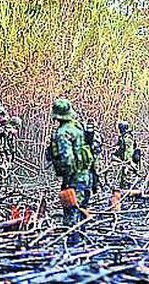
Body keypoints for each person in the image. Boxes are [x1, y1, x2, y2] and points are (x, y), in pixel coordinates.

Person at [46, 98, 94, 237]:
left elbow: (67, 158)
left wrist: (67, 179)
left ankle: (72, 243)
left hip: (74, 176)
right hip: (86, 173)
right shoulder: (78, 127)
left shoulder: (62, 133)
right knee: (82, 206)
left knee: (71, 208)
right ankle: (81, 238)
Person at [0, 115, 22, 192]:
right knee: (0, 176)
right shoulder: (8, 132)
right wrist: (6, 157)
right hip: (2, 156)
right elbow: (6, 146)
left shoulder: (5, 130)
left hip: (1, 156)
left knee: (1, 175)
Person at [114, 121, 141, 190]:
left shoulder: (127, 137)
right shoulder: (123, 136)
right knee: (124, 178)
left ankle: (129, 192)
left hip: (129, 161)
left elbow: (129, 150)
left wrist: (127, 161)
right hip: (125, 161)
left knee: (128, 178)